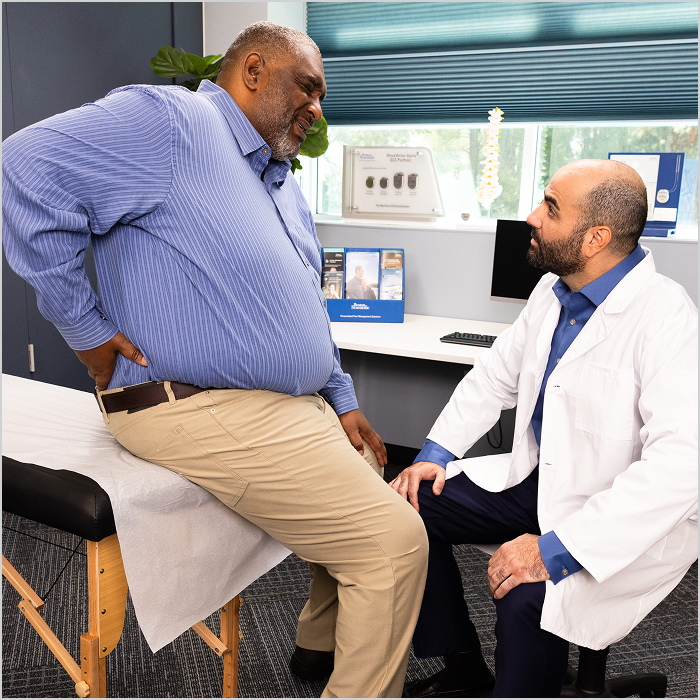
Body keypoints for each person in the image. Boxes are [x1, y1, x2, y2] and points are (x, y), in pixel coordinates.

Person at [2, 21, 428, 698]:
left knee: (368, 468)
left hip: (282, 404)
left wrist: (342, 398)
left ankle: (319, 650)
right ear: (252, 71)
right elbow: (23, 167)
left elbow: (302, 302)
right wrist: (83, 328)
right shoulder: (175, 123)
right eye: (307, 88)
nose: (318, 108)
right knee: (396, 543)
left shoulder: (278, 177)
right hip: (194, 403)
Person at [390, 159, 698, 698]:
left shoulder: (666, 317)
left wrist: (552, 550)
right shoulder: (552, 292)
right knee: (405, 506)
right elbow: (494, 376)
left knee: (528, 593)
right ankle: (462, 664)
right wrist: (434, 455)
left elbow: (680, 468)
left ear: (595, 238)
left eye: (550, 208)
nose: (532, 216)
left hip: (616, 515)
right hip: (539, 479)